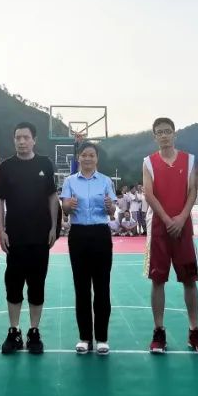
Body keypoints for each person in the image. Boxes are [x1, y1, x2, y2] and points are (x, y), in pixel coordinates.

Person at [142, 118, 198, 354]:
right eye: (159, 132)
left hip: (184, 227)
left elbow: (193, 191)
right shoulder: (148, 162)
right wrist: (167, 218)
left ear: (175, 134)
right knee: (158, 280)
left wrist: (181, 218)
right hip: (159, 229)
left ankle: (194, 331)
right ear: (155, 137)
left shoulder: (189, 160)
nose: (164, 135)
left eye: (167, 131)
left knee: (190, 280)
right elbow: (148, 193)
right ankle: (158, 331)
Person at [0, 121, 58, 355]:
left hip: (40, 236)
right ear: (14, 140)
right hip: (15, 236)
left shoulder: (45, 164)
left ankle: (33, 331)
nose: (21, 141)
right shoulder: (6, 167)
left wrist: (54, 227)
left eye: (26, 137)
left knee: (37, 284)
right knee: (13, 284)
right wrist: (1, 230)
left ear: (34, 140)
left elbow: (52, 197)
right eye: (18, 138)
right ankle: (14, 331)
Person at [62, 142, 117, 355]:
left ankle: (102, 338)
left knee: (102, 287)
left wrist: (110, 207)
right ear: (78, 158)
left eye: (91, 155)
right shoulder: (69, 181)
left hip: (100, 234)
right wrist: (67, 206)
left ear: (97, 158)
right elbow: (65, 207)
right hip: (78, 235)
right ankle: (85, 337)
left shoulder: (105, 181)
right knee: (82, 288)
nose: (87, 158)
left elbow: (112, 209)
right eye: (84, 155)